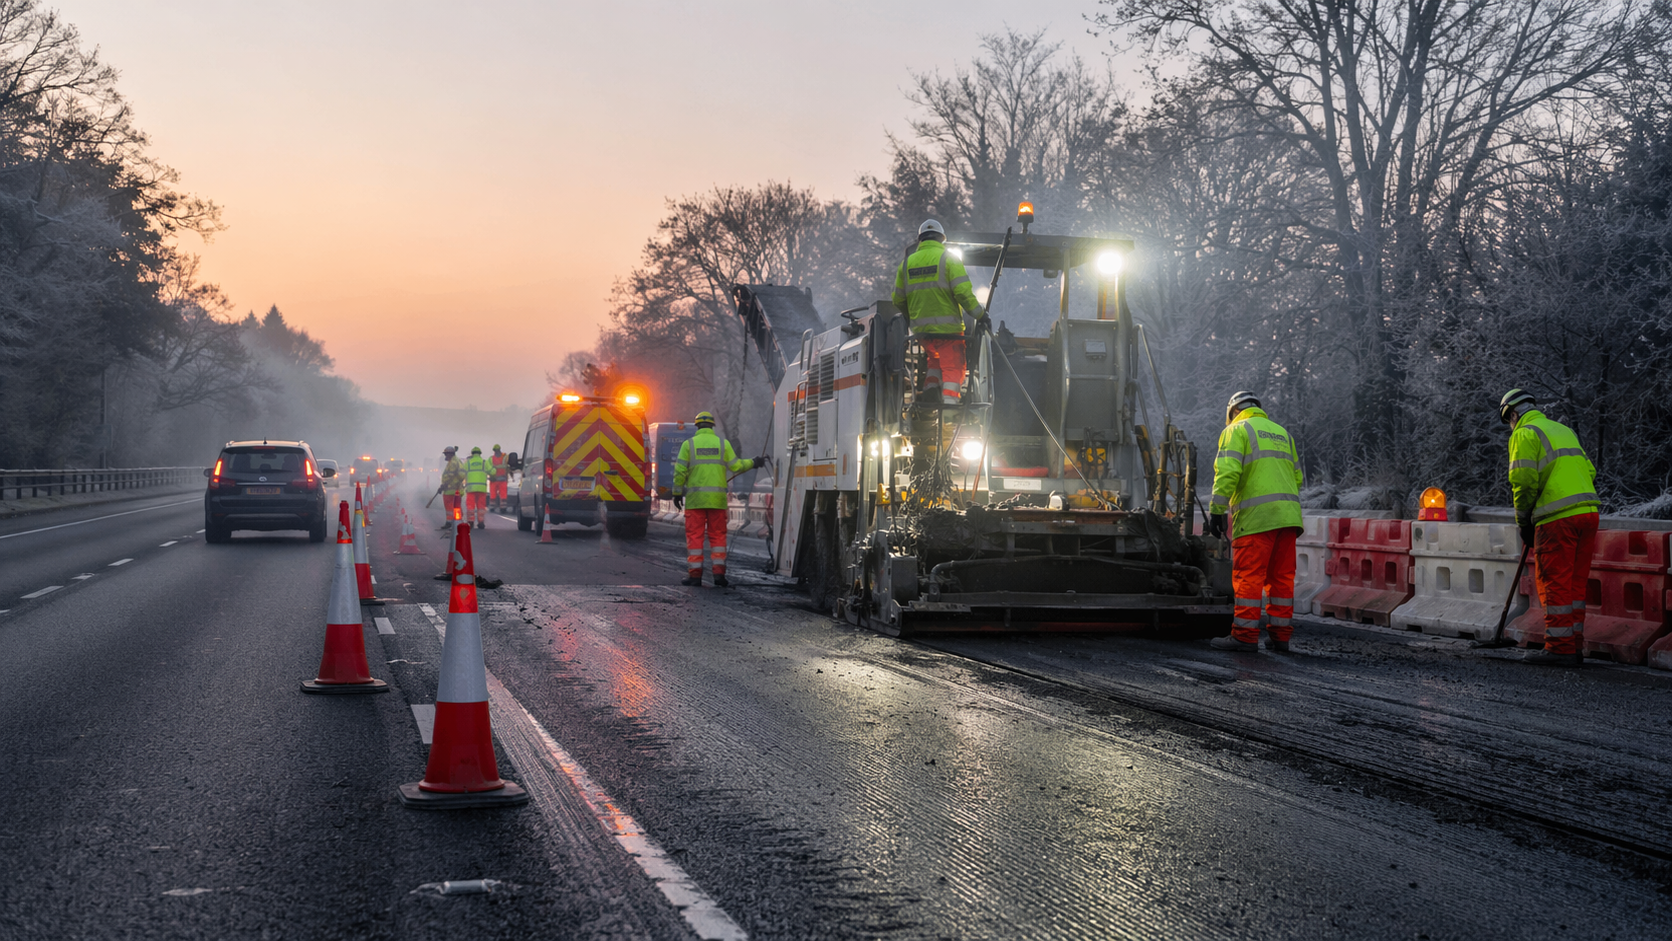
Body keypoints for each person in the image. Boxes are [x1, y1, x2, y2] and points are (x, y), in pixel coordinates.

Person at [1500, 389, 1600, 666]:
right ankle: (1574, 645)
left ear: (1514, 414)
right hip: (1588, 513)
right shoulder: (1563, 430)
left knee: (1554, 581)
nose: (1511, 425)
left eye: (1509, 420)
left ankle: (1559, 648)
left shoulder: (1523, 433)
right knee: (1574, 585)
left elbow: (1523, 482)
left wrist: (1523, 521)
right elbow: (1589, 471)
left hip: (1557, 518)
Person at [1207, 391, 1305, 652]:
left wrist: (1217, 510)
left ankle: (1244, 636)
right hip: (1289, 518)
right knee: (1281, 578)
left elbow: (1228, 472)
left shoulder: (1236, 430)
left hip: (1256, 518)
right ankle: (1280, 637)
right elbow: (1297, 478)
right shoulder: (1282, 433)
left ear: (1233, 412)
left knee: (1249, 576)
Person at [890, 219, 986, 405]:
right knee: (953, 366)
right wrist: (980, 314)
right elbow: (963, 293)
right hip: (949, 331)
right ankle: (949, 406)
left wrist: (913, 319)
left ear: (920, 240)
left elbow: (898, 300)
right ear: (942, 239)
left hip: (923, 334)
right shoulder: (949, 259)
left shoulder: (907, 264)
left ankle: (931, 391)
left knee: (935, 361)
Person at [672, 411, 767, 588]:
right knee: (718, 538)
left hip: (695, 502)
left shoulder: (688, 445)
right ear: (713, 426)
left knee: (695, 538)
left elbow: (679, 472)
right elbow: (737, 466)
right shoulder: (723, 444)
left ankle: (695, 576)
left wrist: (677, 493)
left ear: (697, 426)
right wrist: (754, 462)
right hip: (717, 501)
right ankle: (719, 576)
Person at [436, 446, 465, 530]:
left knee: (449, 506)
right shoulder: (455, 461)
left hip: (450, 489)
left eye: (446, 454)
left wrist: (443, 485)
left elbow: (450, 475)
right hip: (456, 489)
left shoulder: (453, 462)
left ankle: (452, 522)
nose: (445, 456)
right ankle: (457, 522)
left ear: (450, 454)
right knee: (456, 506)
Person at [464, 446, 490, 530]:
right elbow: (492, 471)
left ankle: (471, 522)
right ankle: (481, 522)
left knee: (470, 506)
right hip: (482, 489)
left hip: (471, 488)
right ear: (480, 454)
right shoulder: (484, 462)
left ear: (472, 454)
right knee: (481, 507)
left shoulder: (468, 463)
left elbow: (462, 473)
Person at [489, 444, 510, 512]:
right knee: (500, 494)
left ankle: (494, 507)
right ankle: (502, 508)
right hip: (500, 479)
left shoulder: (492, 458)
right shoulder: (504, 457)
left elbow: (488, 468)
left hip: (496, 479)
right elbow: (507, 466)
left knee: (494, 494)